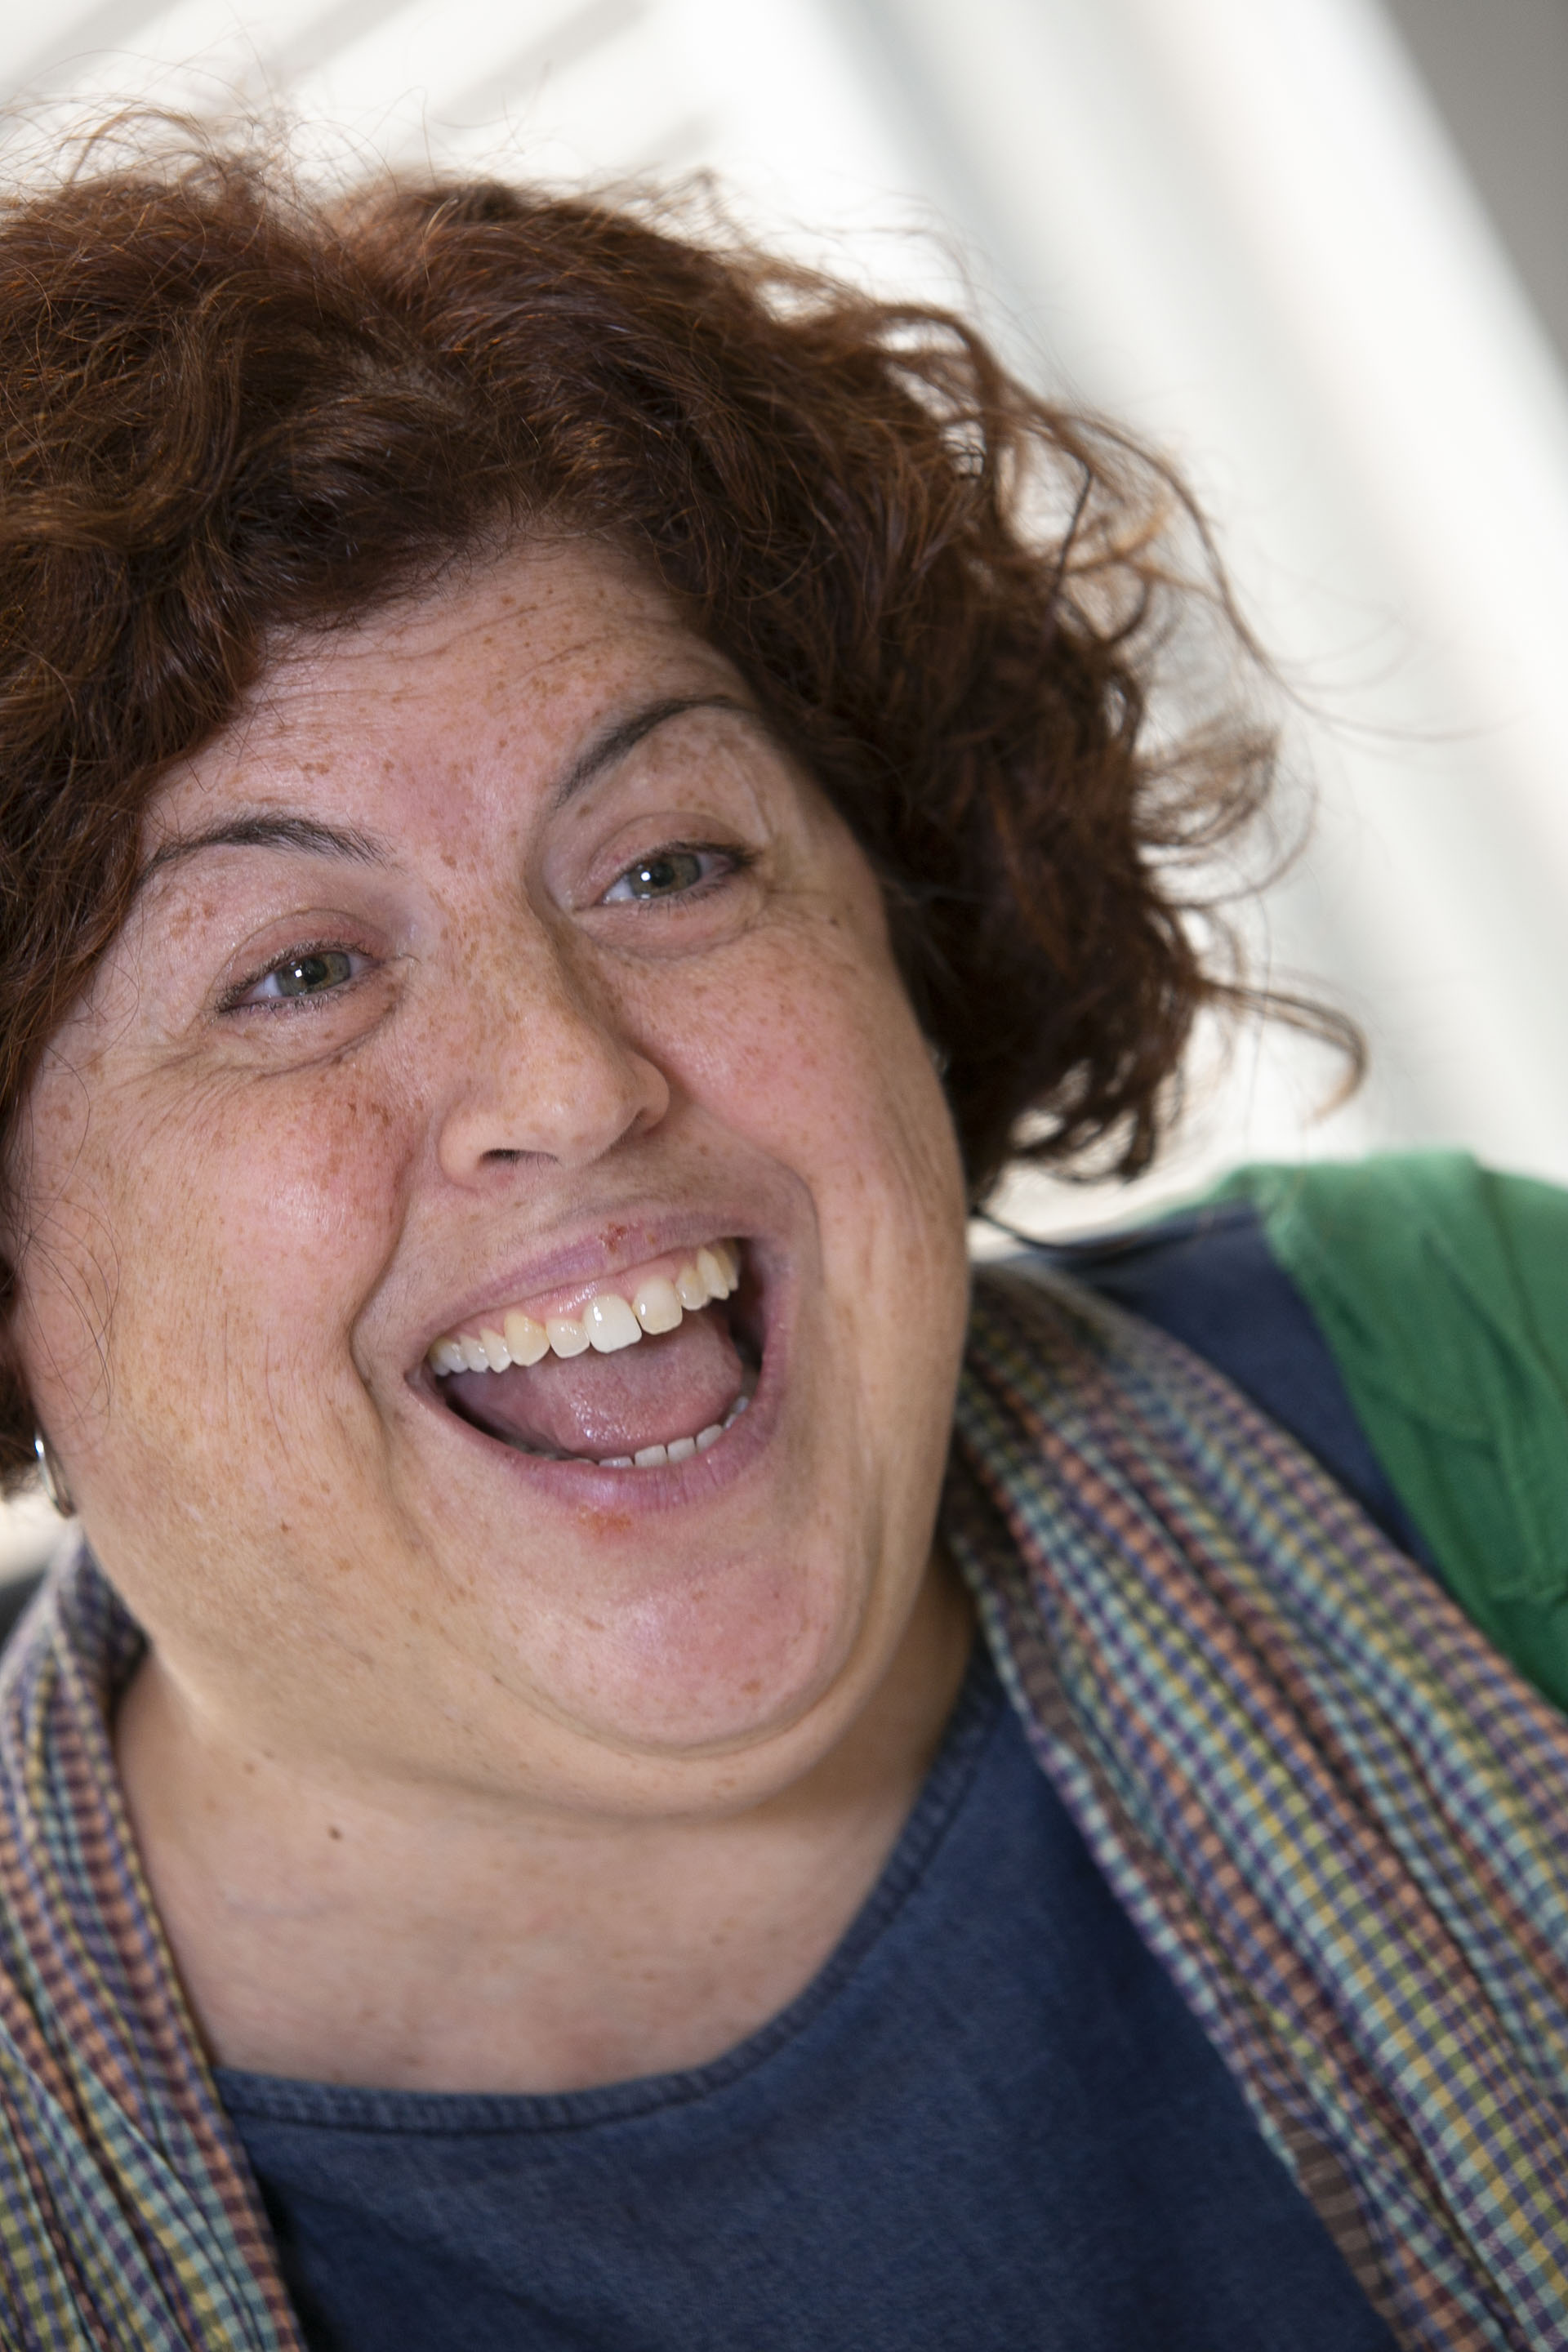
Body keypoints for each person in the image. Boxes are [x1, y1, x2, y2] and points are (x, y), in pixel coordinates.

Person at [0, 131, 1564, 2352]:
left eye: (671, 866)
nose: (570, 1080)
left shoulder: (1478, 1382)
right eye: (297, 972)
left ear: (901, 926)